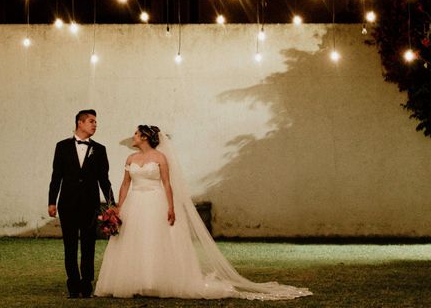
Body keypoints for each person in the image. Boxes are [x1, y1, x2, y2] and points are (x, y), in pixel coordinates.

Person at [94, 125, 312, 300]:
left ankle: (155, 281)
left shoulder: (160, 158)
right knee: (134, 241)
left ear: (144, 137)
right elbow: (124, 185)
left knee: (155, 240)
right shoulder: (130, 159)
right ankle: (135, 281)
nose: (132, 137)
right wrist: (119, 207)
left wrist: (170, 207)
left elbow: (167, 184)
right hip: (135, 202)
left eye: (135, 134)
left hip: (155, 201)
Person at [48, 109, 114, 298]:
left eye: (95, 122)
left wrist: (111, 203)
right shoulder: (62, 146)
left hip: (89, 205)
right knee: (69, 246)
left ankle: (87, 284)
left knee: (88, 246)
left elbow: (104, 179)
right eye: (91, 121)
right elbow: (56, 176)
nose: (95, 125)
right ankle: (73, 285)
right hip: (67, 204)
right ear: (80, 123)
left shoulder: (99, 149)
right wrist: (52, 202)